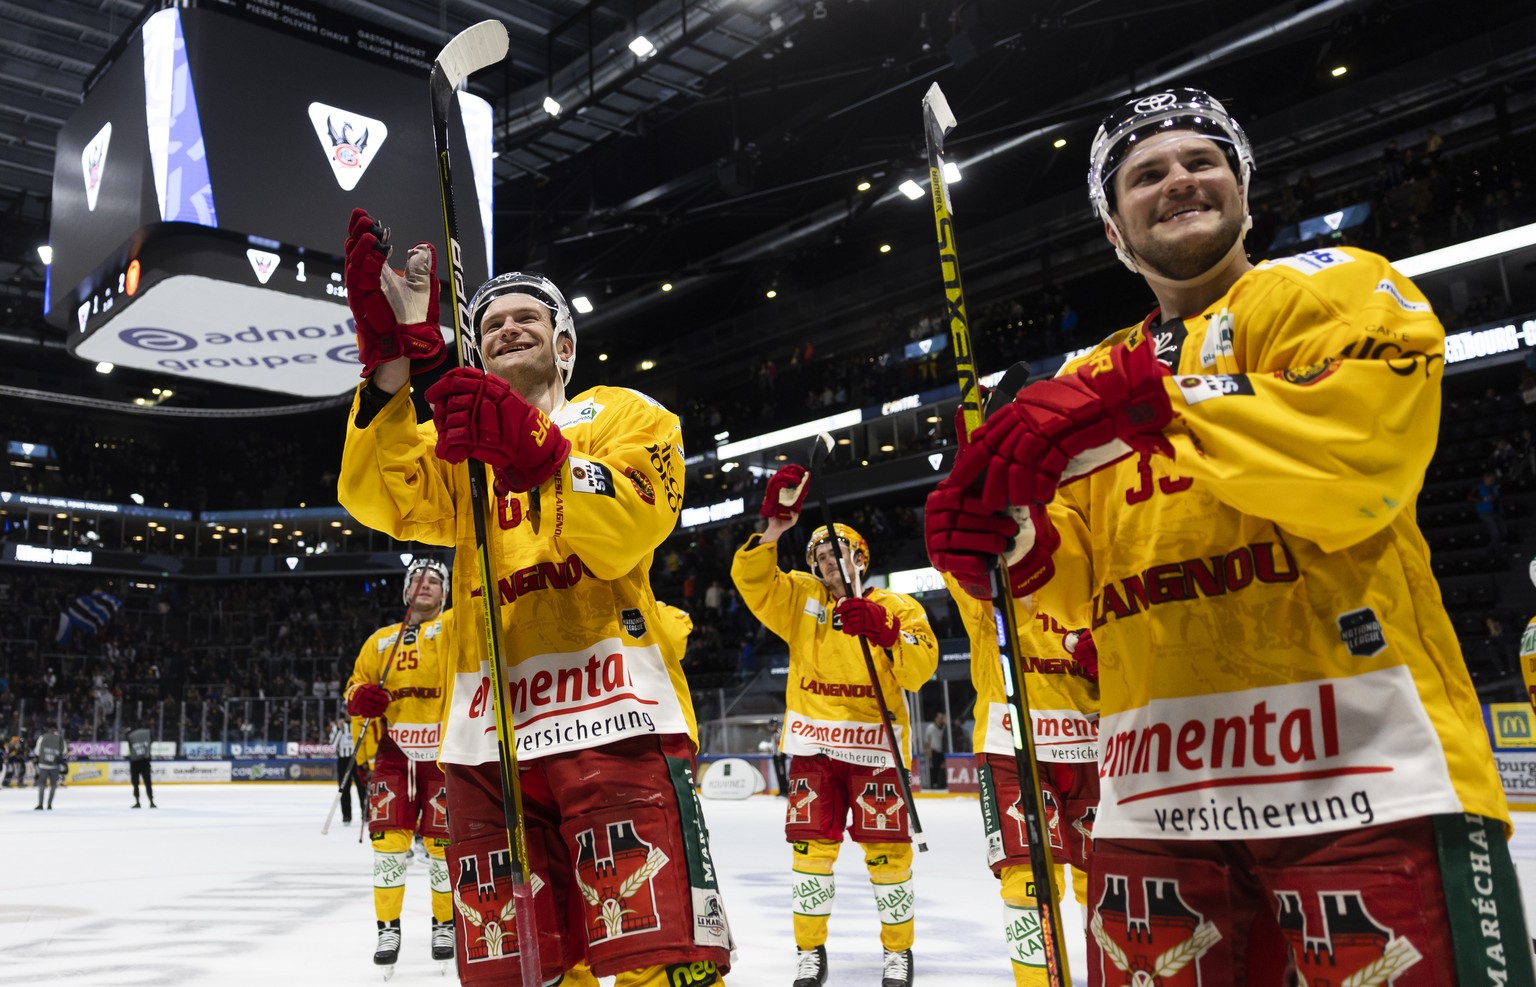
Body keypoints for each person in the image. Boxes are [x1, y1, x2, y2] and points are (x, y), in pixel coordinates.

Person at [925, 87, 1532, 985]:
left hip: (1366, 777)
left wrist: (1143, 405)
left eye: (1201, 161)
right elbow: (1075, 587)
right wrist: (1003, 548)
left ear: (1243, 190)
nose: (1178, 180)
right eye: (1146, 175)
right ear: (1113, 230)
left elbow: (1354, 469)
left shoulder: (1329, 287)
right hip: (1153, 799)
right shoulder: (1086, 376)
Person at [337, 209, 733, 987]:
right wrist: (389, 367)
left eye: (527, 318)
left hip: (613, 716)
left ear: (564, 345)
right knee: (524, 969)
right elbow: (376, 492)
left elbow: (631, 523)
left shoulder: (622, 413)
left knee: (658, 958)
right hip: (488, 736)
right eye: (489, 325)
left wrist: (539, 452)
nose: (507, 329)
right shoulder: (462, 450)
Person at [730, 462, 937, 987]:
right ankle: (810, 952)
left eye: (834, 552)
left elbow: (921, 670)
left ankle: (898, 953)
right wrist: (774, 530)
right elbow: (751, 580)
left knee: (889, 857)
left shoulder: (898, 606)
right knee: (810, 856)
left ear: (859, 557)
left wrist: (887, 631)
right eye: (818, 555)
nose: (825, 560)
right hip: (814, 749)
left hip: (876, 752)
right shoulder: (802, 598)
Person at [344, 557, 457, 970]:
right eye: (417, 579)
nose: (425, 584)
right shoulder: (379, 641)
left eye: (434, 580)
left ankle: (445, 923)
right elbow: (355, 685)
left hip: (444, 754)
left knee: (444, 848)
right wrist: (359, 698)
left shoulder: (456, 627)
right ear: (406, 590)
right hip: (395, 752)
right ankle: (387, 928)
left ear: (445, 592)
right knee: (389, 848)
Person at [329, 714, 365, 826]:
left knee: (362, 787)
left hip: (357, 759)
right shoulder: (338, 726)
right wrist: (339, 729)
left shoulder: (359, 723)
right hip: (343, 760)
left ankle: (366, 814)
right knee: (344, 788)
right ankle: (346, 816)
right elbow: (333, 744)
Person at [34, 725, 64, 810]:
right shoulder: (60, 739)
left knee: (41, 785)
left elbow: (37, 751)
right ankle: (49, 805)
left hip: (43, 765)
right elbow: (64, 751)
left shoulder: (42, 737)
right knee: (53, 785)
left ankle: (40, 804)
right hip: (54, 766)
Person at [127, 720, 155, 809]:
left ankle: (137, 802)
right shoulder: (148, 732)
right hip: (145, 760)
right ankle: (151, 802)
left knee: (135, 783)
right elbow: (152, 741)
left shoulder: (130, 735)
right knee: (148, 783)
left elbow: (130, 748)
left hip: (135, 761)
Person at [921, 712, 948, 791]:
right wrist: (928, 751)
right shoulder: (931, 727)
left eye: (942, 718)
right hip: (934, 751)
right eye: (939, 718)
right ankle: (934, 783)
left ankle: (942, 784)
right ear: (936, 719)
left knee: (943, 768)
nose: (941, 720)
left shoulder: (945, 728)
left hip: (943, 751)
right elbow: (927, 740)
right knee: (934, 768)